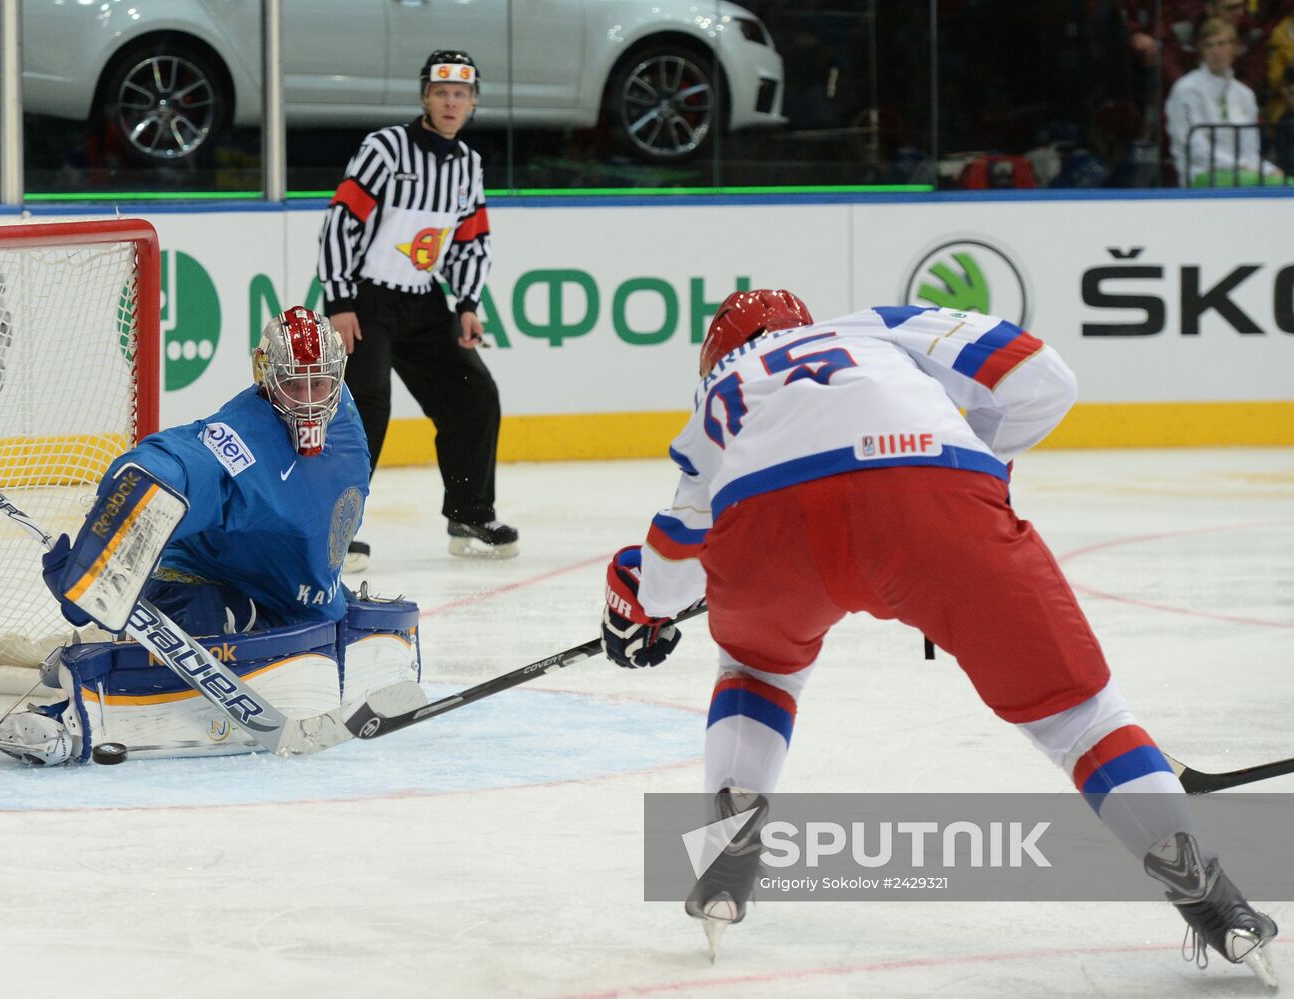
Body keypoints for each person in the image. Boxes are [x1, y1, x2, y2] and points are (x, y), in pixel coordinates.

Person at [598, 290, 1278, 984]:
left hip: (768, 527)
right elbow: (1041, 376)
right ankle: (1210, 896)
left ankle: (728, 844)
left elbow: (673, 562)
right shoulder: (873, 327)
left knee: (756, 669)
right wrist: (979, 465)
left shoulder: (719, 390)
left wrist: (636, 606)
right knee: (1079, 716)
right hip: (929, 489)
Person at [0, 307, 419, 765]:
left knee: (360, 625)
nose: (309, 401)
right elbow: (188, 461)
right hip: (196, 574)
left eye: (320, 383)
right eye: (293, 385)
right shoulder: (245, 440)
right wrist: (105, 557)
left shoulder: (344, 412)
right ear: (265, 377)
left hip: (277, 581)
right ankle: (75, 704)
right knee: (212, 622)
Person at [317, 49, 517, 571]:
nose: (451, 102)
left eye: (461, 94)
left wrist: (467, 303)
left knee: (474, 395)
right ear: (425, 97)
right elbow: (342, 221)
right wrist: (339, 301)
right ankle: (332, 529)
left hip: (424, 300)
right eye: (441, 93)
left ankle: (470, 514)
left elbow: (470, 240)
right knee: (366, 409)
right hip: (366, 299)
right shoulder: (385, 148)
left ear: (473, 102)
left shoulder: (468, 164)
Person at [1166, 16, 1284, 184]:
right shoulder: (1185, 89)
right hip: (1200, 174)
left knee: (1287, 182)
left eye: (1222, 44)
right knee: (1271, 184)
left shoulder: (1245, 95)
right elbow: (1194, 147)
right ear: (1201, 51)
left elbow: (1250, 152)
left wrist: (1269, 170)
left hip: (1244, 172)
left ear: (1235, 48)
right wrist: (1240, 166)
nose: (1216, 51)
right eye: (1209, 45)